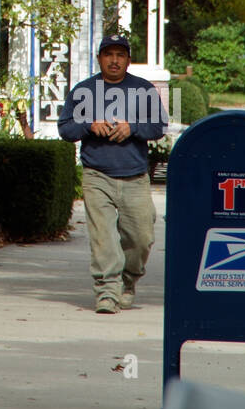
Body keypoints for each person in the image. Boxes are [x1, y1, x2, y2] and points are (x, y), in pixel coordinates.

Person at [57, 34, 167, 314]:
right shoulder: (84, 91)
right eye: (109, 54)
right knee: (103, 238)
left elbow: (158, 126)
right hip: (97, 176)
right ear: (100, 59)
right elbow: (65, 130)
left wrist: (132, 127)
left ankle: (127, 282)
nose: (114, 60)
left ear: (129, 60)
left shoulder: (143, 90)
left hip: (135, 176)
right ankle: (107, 292)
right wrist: (88, 124)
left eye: (120, 55)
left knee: (141, 238)